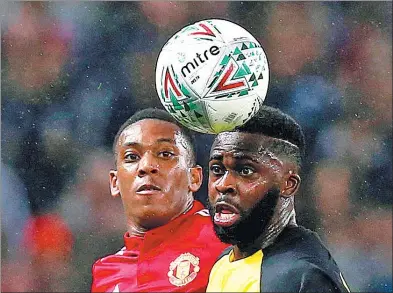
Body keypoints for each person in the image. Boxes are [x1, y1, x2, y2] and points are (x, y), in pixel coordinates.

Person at [206, 106, 351, 292]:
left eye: (245, 171)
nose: (223, 185)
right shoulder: (225, 261)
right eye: (217, 170)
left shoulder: (301, 276)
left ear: (288, 184)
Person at [91, 108, 228, 292]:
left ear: (194, 178)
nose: (147, 166)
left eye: (165, 154)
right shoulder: (106, 273)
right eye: (132, 157)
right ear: (115, 183)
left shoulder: (226, 238)